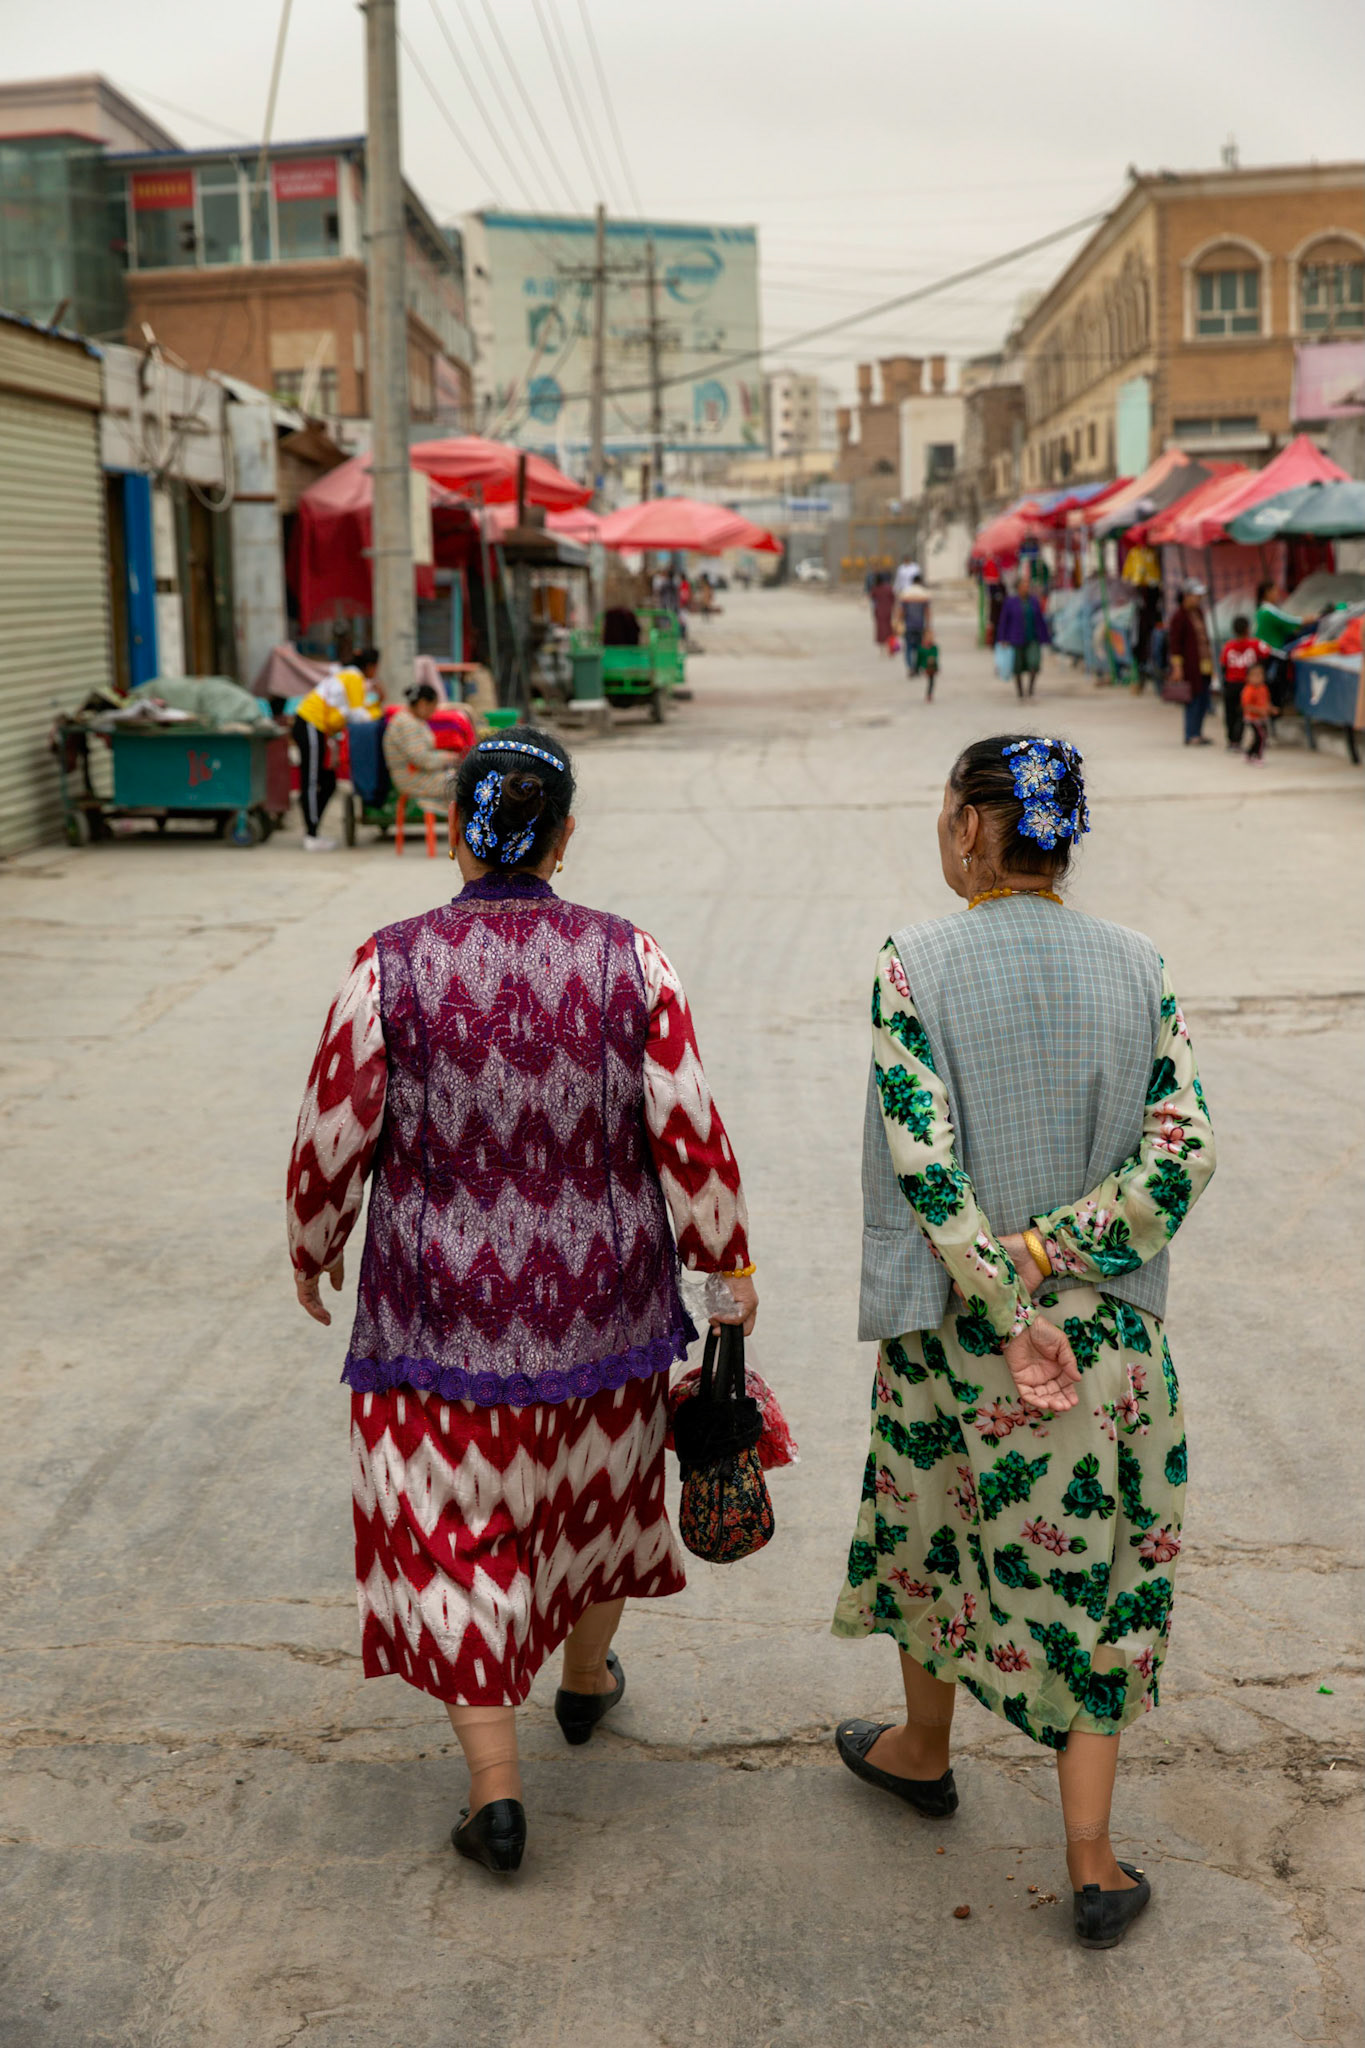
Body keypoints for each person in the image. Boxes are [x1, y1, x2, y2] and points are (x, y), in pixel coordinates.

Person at [286, 728, 758, 1878]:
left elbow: (334, 1127)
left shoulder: (386, 965)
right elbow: (686, 1127)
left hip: (433, 1321)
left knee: (454, 1536)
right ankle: (586, 1679)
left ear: (457, 828)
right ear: (563, 838)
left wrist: (313, 1240)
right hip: (604, 1314)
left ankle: (495, 1788)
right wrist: (726, 1263)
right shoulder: (629, 959)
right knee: (595, 1508)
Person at [832, 734, 1215, 1950]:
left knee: (931, 1528)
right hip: (1110, 1346)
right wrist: (1057, 1252)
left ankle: (922, 1746)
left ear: (968, 830)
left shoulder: (915, 965)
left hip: (962, 1338)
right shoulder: (1139, 963)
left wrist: (1003, 1288)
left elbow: (925, 1164)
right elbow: (1183, 1151)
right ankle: (1093, 1861)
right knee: (1106, 1574)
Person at [293, 649, 384, 851]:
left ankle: (313, 830)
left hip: (320, 729)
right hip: (310, 722)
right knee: (311, 780)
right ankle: (311, 835)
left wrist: (377, 704)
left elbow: (354, 712)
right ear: (371, 666)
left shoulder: (350, 676)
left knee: (328, 783)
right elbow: (358, 714)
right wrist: (380, 707)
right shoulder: (353, 677)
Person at [382, 682, 471, 806]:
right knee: (464, 782)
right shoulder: (408, 724)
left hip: (419, 774)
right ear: (423, 704)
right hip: (412, 778)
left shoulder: (410, 719)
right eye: (433, 707)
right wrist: (450, 758)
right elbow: (421, 758)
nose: (434, 711)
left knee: (461, 777)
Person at [1165, 583, 1215, 745]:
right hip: (1190, 666)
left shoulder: (1198, 613)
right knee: (1192, 699)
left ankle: (1198, 733)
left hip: (1204, 663)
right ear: (1186, 596)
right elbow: (1175, 644)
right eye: (1196, 596)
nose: (1199, 599)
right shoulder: (1179, 617)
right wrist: (1177, 667)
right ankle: (1191, 734)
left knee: (1203, 699)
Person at [996, 568, 1052, 698]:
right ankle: (1020, 691)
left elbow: (1040, 620)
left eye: (1027, 585)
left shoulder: (1033, 601)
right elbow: (1004, 621)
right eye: (1023, 585)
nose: (1026, 588)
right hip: (1015, 638)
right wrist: (1002, 638)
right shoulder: (1011, 602)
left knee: (1034, 663)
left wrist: (1046, 638)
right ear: (1018, 588)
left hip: (1032, 637)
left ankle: (1031, 688)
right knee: (1018, 667)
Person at [1218, 615, 1270, 751]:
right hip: (1246, 686)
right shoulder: (1255, 643)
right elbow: (1267, 653)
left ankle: (1232, 741)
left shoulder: (1228, 646)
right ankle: (1239, 740)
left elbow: (1223, 665)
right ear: (1247, 629)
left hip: (1230, 684)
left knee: (1230, 714)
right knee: (1242, 714)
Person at [895, 569, 935, 698]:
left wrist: (898, 622)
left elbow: (901, 611)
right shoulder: (924, 594)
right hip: (920, 625)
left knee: (908, 647)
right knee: (918, 647)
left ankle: (910, 667)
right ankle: (916, 667)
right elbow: (927, 611)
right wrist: (928, 626)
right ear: (921, 582)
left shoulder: (906, 594)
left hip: (909, 625)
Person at [1240, 661, 1272, 764]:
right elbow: (1247, 706)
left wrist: (1270, 708)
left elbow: (1266, 702)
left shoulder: (1263, 688)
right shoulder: (1248, 690)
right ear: (1248, 677)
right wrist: (1260, 711)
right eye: (1254, 675)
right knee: (1261, 736)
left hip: (1262, 718)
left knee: (1261, 736)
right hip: (1253, 718)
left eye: (1260, 674)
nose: (1258, 677)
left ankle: (1249, 754)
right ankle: (1257, 756)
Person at [870, 572, 897, 649]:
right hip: (888, 610)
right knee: (889, 628)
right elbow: (893, 599)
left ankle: (882, 645)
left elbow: (872, 600)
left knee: (880, 628)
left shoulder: (875, 589)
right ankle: (890, 645)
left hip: (879, 611)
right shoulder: (889, 588)